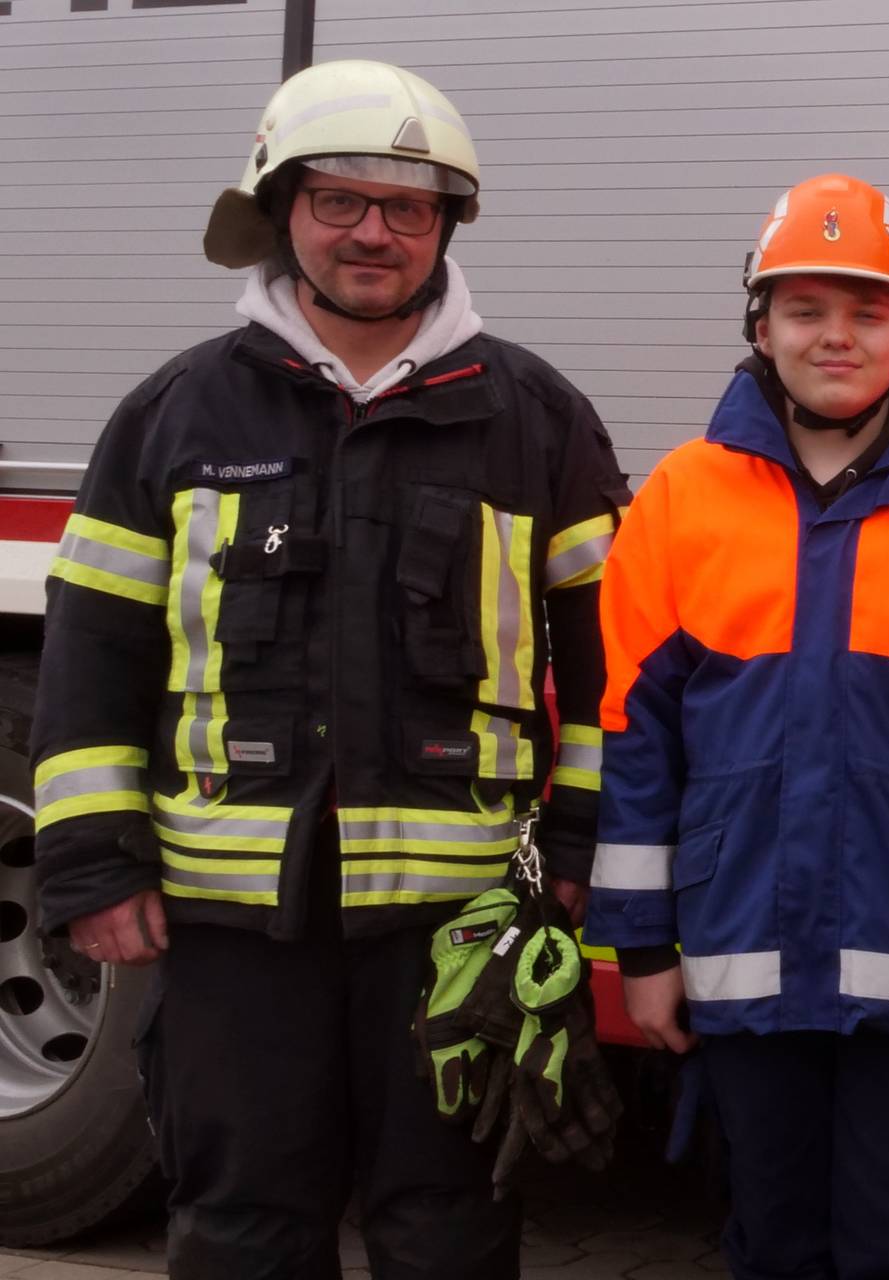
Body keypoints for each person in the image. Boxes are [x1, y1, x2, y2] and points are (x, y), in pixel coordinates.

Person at [31, 59, 623, 1277]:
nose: (374, 232)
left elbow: (609, 661)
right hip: (236, 925)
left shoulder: (535, 418)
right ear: (281, 209)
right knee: (243, 1227)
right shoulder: (173, 415)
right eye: (341, 200)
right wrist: (94, 861)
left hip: (459, 928)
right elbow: (95, 652)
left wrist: (574, 850)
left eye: (409, 207)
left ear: (446, 225)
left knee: (451, 1227)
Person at [584, 174, 889, 1279]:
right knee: (769, 1242)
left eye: (868, 310)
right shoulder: (680, 498)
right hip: (738, 958)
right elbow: (635, 738)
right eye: (807, 309)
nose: (837, 336)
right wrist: (642, 948)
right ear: (759, 325)